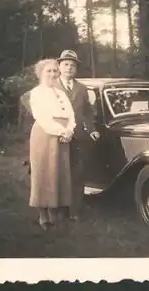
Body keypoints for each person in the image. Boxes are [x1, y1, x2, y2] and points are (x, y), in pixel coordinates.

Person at [28, 59, 76, 231]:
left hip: (63, 137)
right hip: (45, 134)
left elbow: (71, 115)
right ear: (41, 73)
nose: (53, 74)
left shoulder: (61, 93)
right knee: (44, 172)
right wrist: (61, 131)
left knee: (58, 173)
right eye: (48, 71)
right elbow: (42, 117)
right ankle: (43, 216)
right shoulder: (36, 93)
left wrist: (70, 130)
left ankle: (54, 213)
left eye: (55, 71)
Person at [55, 49, 100, 222]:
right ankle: (59, 208)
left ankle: (75, 210)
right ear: (59, 66)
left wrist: (92, 129)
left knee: (78, 172)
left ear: (76, 69)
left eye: (72, 65)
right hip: (57, 135)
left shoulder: (82, 88)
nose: (69, 68)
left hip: (79, 136)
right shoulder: (52, 86)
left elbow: (88, 112)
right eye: (65, 64)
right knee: (58, 171)